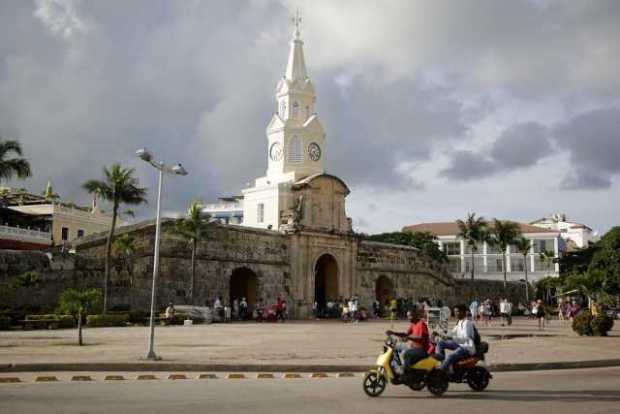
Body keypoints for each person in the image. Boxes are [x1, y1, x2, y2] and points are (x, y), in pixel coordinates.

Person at [386, 307, 433, 376]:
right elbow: (405, 334)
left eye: (410, 316)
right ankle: (399, 367)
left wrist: (409, 337)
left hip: (422, 349)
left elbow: (421, 338)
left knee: (405, 354)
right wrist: (393, 333)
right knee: (395, 347)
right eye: (408, 316)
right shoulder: (413, 324)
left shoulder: (421, 324)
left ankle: (407, 373)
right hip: (413, 347)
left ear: (415, 315)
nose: (408, 318)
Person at [434, 304, 476, 372]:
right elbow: (452, 332)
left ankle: (441, 372)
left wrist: (451, 338)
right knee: (441, 343)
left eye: (457, 312)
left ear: (463, 312)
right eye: (455, 312)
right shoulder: (459, 322)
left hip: (466, 347)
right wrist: (439, 334)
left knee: (450, 356)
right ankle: (441, 359)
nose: (455, 314)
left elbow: (465, 339)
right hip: (459, 344)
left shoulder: (467, 323)